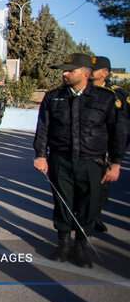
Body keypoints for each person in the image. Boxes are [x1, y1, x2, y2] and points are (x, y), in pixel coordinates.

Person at [33, 53, 125, 268]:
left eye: (70, 70)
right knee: (63, 202)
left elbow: (117, 132)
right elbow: (43, 128)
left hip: (92, 162)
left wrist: (117, 163)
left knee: (89, 205)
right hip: (61, 159)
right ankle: (63, 243)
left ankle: (81, 246)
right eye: (64, 70)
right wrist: (40, 155)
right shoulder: (54, 96)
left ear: (85, 74)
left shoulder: (106, 98)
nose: (64, 74)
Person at [90, 56, 130, 233]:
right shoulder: (80, 90)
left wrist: (117, 154)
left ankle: (95, 215)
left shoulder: (118, 95)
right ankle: (83, 218)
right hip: (84, 147)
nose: (91, 72)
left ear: (105, 73)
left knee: (102, 188)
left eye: (95, 69)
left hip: (105, 150)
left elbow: (124, 126)